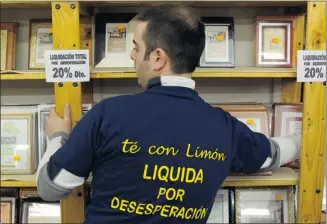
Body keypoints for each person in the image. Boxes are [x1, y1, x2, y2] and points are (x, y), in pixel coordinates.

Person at [36, 5, 301, 224]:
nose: (132, 55)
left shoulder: (108, 114)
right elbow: (274, 153)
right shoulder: (226, 128)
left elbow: (50, 187)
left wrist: (57, 137)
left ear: (158, 58)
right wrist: (304, 139)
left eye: (137, 47)